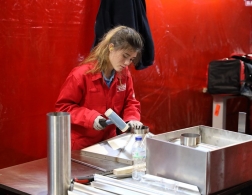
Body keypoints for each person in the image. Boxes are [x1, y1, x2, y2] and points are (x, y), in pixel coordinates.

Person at [55, 26, 144, 150]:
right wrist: (91, 118)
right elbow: (63, 108)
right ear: (111, 47)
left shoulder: (124, 74)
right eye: (125, 56)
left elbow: (130, 102)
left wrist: (132, 119)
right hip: (82, 146)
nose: (127, 63)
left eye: (131, 59)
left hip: (110, 143)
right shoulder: (81, 75)